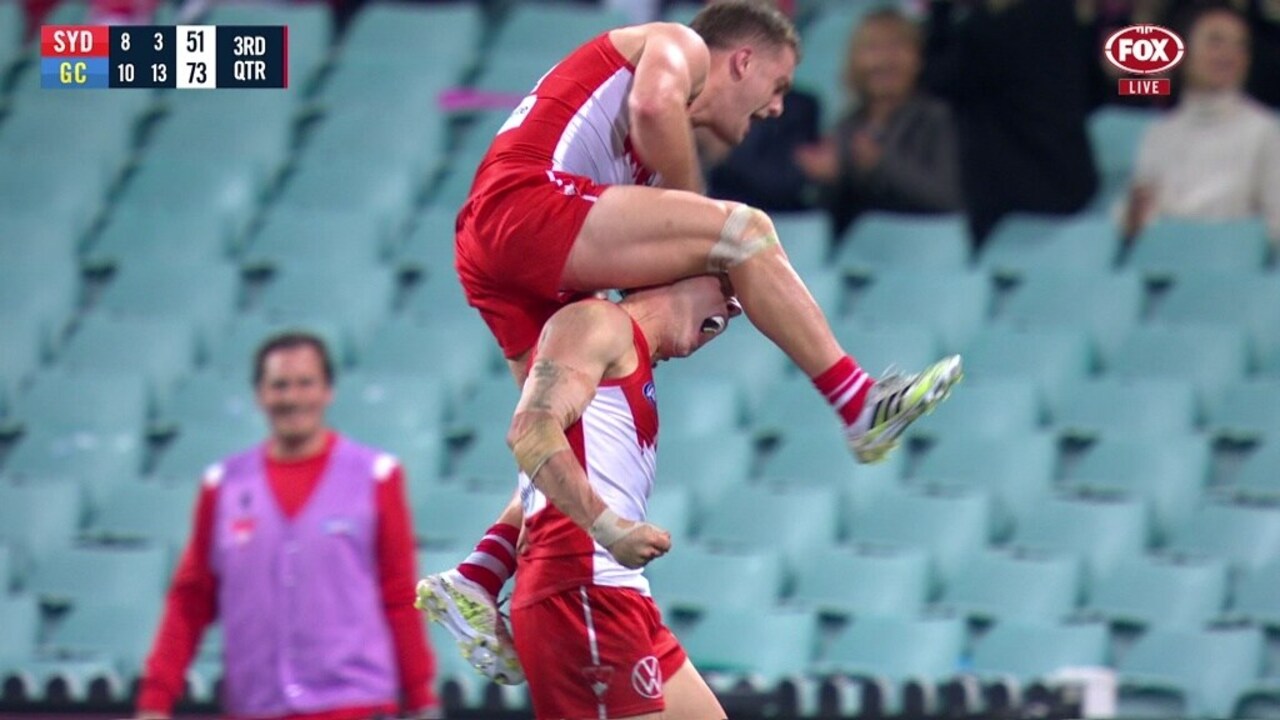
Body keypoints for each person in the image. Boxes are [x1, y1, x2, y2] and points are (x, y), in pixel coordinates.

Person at [455, 0, 963, 466]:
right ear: (742, 61)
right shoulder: (682, 44)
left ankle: (482, 564)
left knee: (567, 432)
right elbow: (654, 107)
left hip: (488, 245)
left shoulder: (634, 166)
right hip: (526, 203)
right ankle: (857, 401)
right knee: (745, 230)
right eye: (779, 84)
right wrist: (694, 215)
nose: (776, 108)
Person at [420, 275, 751, 718]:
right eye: (726, 285)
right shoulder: (599, 322)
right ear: (677, 268)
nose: (735, 308)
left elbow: (552, 470)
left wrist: (487, 567)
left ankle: (476, 574)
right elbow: (531, 432)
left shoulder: (622, 356)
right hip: (583, 593)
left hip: (616, 596)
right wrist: (610, 529)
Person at [135, 332, 440, 720]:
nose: (292, 398)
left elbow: (398, 594)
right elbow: (190, 599)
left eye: (305, 383)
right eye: (279, 385)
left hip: (354, 704)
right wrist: (155, 700)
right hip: (256, 704)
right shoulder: (225, 486)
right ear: (260, 394)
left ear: (327, 391)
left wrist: (420, 698)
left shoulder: (376, 478)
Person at [923, 0, 1099, 245]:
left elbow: (936, 79)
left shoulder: (987, 31)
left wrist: (941, 10)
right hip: (1071, 187)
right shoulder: (1062, 13)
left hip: (1012, 199)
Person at [794, 7, 962, 240]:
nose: (884, 61)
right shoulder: (848, 125)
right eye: (872, 48)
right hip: (858, 254)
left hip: (920, 250)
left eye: (897, 47)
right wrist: (828, 180)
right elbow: (833, 214)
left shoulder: (935, 118)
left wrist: (881, 164)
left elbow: (947, 197)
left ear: (918, 59)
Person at [1123, 2, 1280, 243]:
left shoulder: (1265, 131)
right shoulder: (1159, 133)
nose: (1229, 54)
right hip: (1160, 266)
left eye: (1241, 45)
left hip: (1233, 269)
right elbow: (1139, 220)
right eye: (1215, 41)